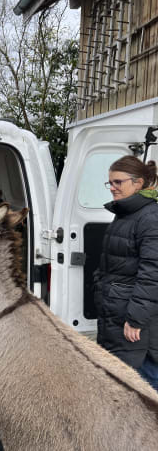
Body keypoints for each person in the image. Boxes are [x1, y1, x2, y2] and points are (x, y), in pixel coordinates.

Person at [94, 155, 158, 391]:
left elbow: (152, 274)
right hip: (117, 316)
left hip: (136, 326)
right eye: (110, 182)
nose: (112, 187)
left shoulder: (150, 218)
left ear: (138, 183)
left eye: (117, 182)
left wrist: (135, 319)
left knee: (145, 389)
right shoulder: (126, 213)